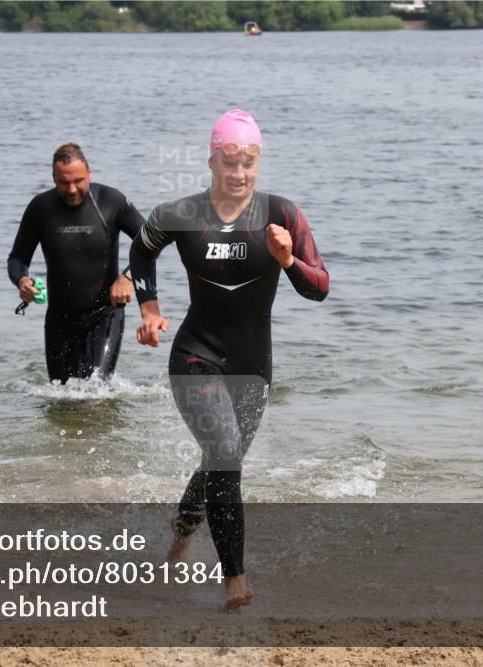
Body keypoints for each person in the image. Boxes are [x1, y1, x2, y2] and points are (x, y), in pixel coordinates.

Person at [129, 109, 329, 609]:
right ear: (212, 161)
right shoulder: (181, 214)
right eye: (230, 162)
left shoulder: (283, 214)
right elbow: (141, 248)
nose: (239, 173)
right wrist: (150, 308)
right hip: (195, 355)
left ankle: (180, 532)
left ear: (258, 163)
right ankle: (234, 581)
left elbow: (319, 288)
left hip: (253, 366)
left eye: (249, 162)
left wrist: (288, 260)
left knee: (224, 461)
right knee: (223, 454)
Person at [7, 144, 145, 383]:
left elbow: (150, 241)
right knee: (61, 400)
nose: (71, 189)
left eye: (78, 180)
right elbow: (17, 258)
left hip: (105, 314)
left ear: (89, 173)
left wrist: (128, 277)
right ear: (53, 178)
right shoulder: (40, 208)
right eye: (63, 182)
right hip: (60, 319)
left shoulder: (112, 201)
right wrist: (22, 280)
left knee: (95, 392)